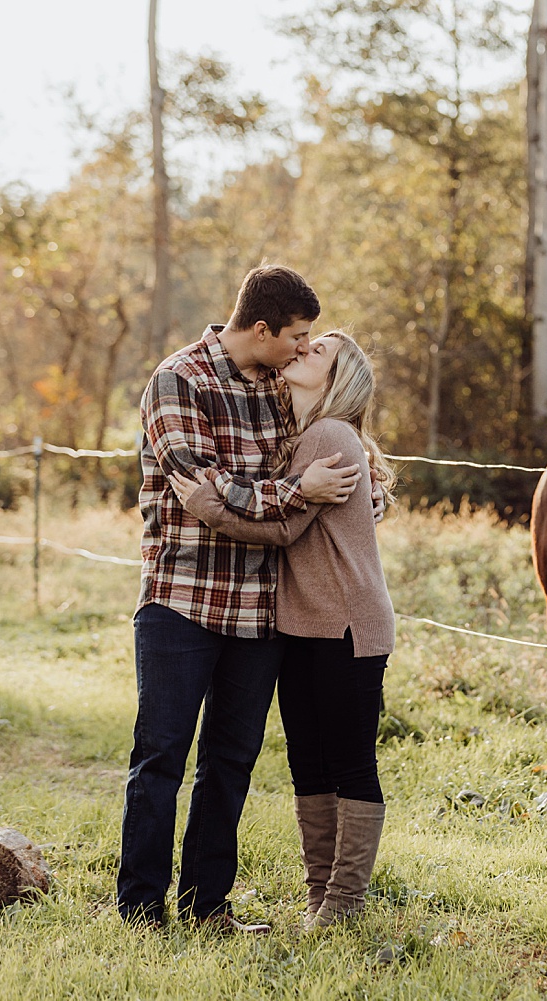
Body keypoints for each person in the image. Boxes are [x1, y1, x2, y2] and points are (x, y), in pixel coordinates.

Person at [118, 265, 365, 933]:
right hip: (182, 600)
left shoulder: (281, 385)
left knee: (230, 763)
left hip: (260, 609)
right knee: (162, 754)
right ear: (262, 329)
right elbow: (203, 494)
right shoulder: (180, 380)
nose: (303, 348)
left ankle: (207, 907)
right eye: (298, 335)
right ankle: (142, 908)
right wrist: (296, 493)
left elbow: (310, 452)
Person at [169, 329, 396, 931]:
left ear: (337, 378)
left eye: (318, 351)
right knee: (309, 766)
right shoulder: (303, 434)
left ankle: (343, 903)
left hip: (347, 624)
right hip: (303, 624)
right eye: (305, 341)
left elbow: (284, 530)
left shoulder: (327, 435)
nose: (303, 350)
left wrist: (208, 507)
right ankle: (320, 896)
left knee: (349, 764)